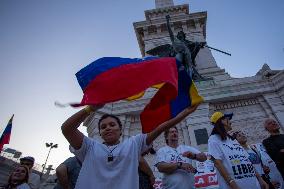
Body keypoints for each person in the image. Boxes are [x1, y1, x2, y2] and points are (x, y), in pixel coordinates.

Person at [61, 104, 199, 189]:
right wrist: (90, 108)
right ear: (101, 134)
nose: (108, 128)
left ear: (120, 130)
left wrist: (186, 113)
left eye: (112, 125)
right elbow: (67, 128)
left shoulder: (133, 144)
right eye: (103, 127)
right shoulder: (89, 147)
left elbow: (160, 128)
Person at [208, 112, 268, 189]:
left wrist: (260, 179)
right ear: (222, 121)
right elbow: (217, 163)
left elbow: (247, 160)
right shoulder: (213, 139)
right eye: (228, 119)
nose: (230, 122)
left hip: (254, 184)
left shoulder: (233, 140)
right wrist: (232, 183)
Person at [165, 15, 206, 80]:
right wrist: (167, 21)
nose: (180, 34)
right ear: (177, 36)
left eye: (181, 34)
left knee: (190, 66)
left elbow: (196, 47)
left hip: (187, 55)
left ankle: (189, 79)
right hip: (179, 54)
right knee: (178, 61)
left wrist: (199, 45)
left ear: (184, 36)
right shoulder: (174, 40)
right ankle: (177, 73)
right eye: (179, 34)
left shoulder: (188, 43)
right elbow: (170, 32)